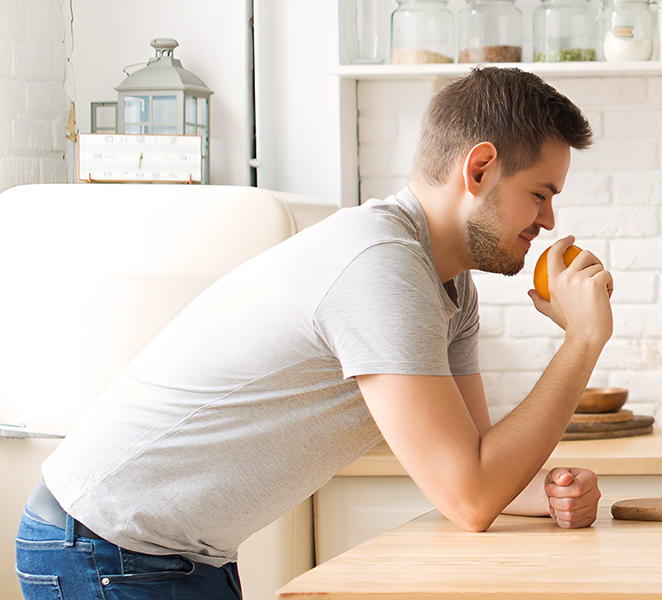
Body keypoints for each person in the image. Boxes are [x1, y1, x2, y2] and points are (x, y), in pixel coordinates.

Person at [15, 67, 614, 599]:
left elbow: (474, 464)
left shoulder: (450, 289)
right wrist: (582, 341)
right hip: (105, 546)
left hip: (166, 553)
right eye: (540, 194)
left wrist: (544, 493)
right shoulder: (380, 263)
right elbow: (471, 494)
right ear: (479, 169)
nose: (549, 220)